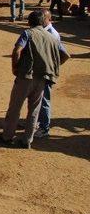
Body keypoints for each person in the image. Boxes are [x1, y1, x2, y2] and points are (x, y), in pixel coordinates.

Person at [0, 10, 62, 148]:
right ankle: (27, 140)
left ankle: (6, 137)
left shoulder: (28, 33)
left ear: (30, 22)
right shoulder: (53, 37)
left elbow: (17, 50)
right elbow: (64, 55)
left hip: (26, 76)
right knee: (34, 110)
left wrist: (15, 68)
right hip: (42, 78)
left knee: (15, 108)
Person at [34, 9, 70, 138]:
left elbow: (65, 54)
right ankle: (38, 123)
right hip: (41, 71)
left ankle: (44, 128)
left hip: (46, 73)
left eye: (42, 19)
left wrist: (54, 67)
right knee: (38, 98)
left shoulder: (52, 34)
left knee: (44, 100)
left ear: (48, 20)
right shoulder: (44, 31)